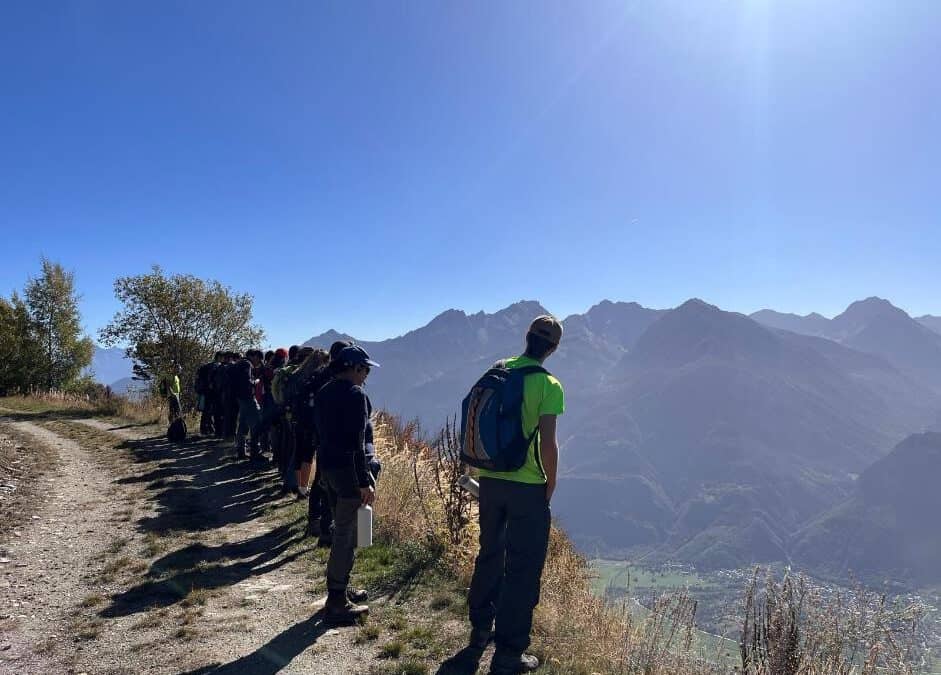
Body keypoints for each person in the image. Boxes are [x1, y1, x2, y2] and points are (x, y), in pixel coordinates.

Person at [465, 315, 565, 675]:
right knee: (522, 569)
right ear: (553, 348)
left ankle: (479, 630)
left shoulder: (499, 369)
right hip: (527, 487)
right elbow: (549, 444)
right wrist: (550, 485)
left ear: (526, 338)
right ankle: (508, 653)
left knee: (490, 553)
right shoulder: (548, 384)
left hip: (489, 479)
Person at [313, 345, 379, 623]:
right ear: (353, 367)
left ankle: (341, 585)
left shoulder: (324, 391)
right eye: (364, 369)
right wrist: (364, 481)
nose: (366, 375)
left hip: (326, 468)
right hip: (347, 472)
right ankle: (337, 599)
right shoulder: (355, 395)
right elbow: (355, 444)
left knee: (342, 530)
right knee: (345, 534)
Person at [233, 351, 262, 462]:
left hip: (240, 398)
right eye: (258, 360)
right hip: (248, 397)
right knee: (257, 424)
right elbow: (248, 381)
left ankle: (241, 451)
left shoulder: (238, 363)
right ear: (254, 356)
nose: (257, 363)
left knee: (243, 425)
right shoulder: (247, 364)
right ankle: (255, 451)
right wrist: (256, 381)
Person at [195, 353, 222, 436]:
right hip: (211, 392)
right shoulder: (216, 366)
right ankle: (209, 429)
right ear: (219, 357)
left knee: (206, 411)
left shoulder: (207, 366)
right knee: (211, 411)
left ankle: (205, 429)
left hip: (204, 391)